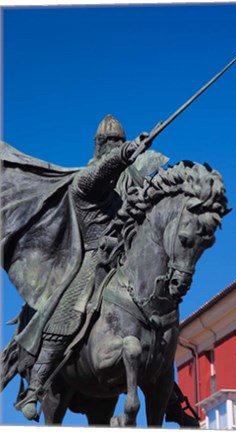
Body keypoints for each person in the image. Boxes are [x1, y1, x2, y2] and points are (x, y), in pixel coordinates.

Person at [2, 115, 154, 420]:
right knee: (68, 311)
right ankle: (36, 385)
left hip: (123, 258)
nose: (115, 147)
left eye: (119, 143)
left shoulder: (119, 194)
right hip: (90, 259)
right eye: (111, 143)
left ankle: (167, 388)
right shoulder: (85, 183)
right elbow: (104, 171)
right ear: (99, 147)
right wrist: (127, 153)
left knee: (157, 313)